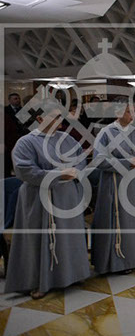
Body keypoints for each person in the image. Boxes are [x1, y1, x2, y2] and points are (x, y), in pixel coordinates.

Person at [4, 100, 91, 299]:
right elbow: (24, 170)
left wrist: (76, 171)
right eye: (55, 117)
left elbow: (81, 159)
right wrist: (57, 175)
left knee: (68, 237)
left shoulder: (66, 138)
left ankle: (73, 274)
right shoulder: (26, 142)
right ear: (40, 118)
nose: (60, 121)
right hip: (39, 199)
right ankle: (41, 281)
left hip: (67, 197)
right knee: (41, 239)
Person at [92, 97, 135, 275]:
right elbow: (99, 159)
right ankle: (120, 262)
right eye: (128, 111)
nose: (132, 114)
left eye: (133, 111)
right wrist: (127, 162)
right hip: (116, 184)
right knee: (123, 222)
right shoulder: (106, 132)